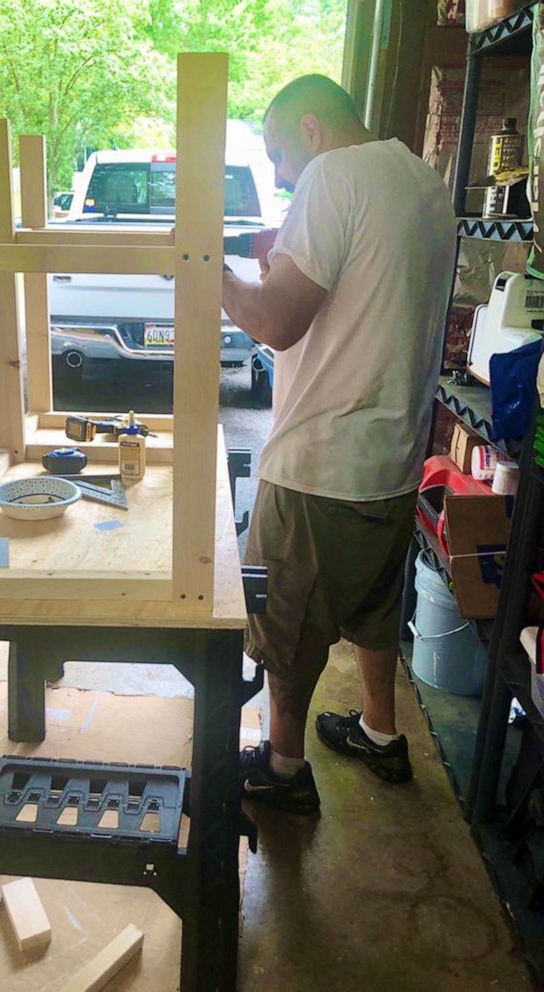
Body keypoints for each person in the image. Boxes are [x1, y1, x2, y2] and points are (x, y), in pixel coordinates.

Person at [221, 74, 456, 815]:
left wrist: (208, 274)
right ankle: (380, 734)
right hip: (390, 458)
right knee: (372, 609)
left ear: (313, 130)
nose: (282, 176)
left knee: (287, 626)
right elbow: (366, 305)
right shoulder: (420, 181)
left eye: (279, 154)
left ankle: (284, 769)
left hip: (320, 464)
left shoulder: (329, 178)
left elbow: (275, 323)